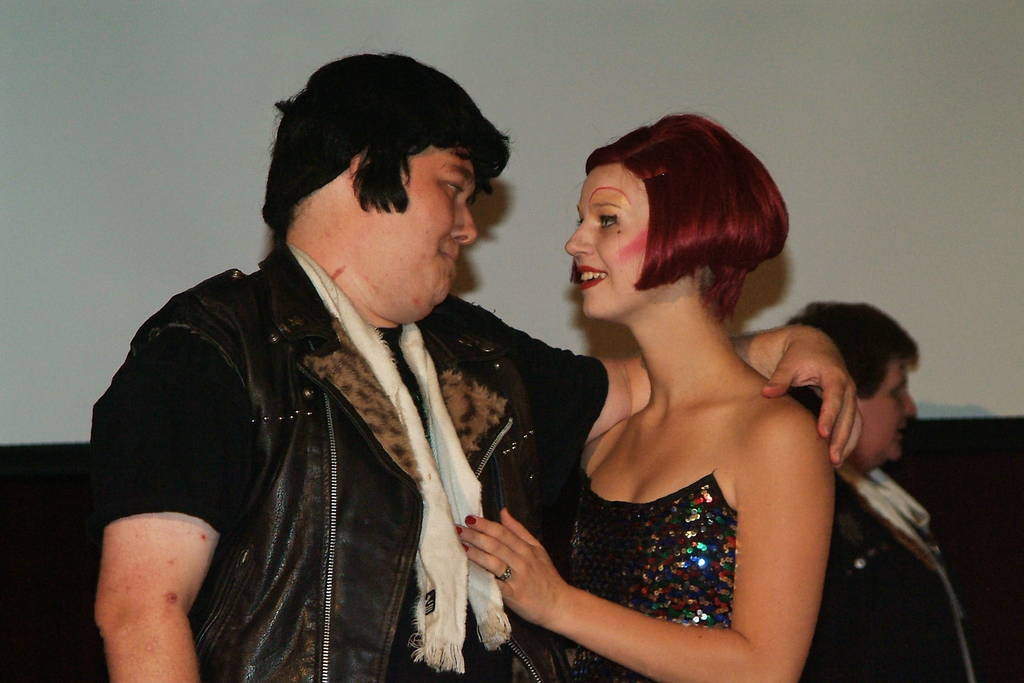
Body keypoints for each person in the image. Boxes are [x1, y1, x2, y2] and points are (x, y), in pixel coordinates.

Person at [90, 56, 856, 682]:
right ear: (366, 172)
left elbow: (658, 380)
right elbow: (141, 608)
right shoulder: (210, 350)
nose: (467, 227)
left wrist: (789, 342)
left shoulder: (474, 354)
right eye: (454, 190)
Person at [461, 114, 835, 682]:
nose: (575, 242)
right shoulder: (612, 432)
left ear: (690, 233)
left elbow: (765, 670)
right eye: (582, 219)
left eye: (607, 220)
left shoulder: (774, 435)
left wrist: (557, 604)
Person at [788, 302, 976, 682]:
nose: (910, 408)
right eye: (896, 391)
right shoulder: (819, 509)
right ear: (843, 394)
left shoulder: (876, 496)